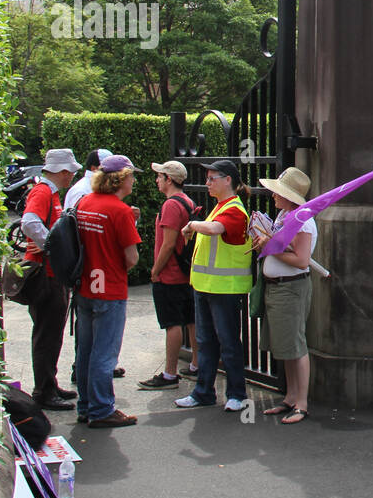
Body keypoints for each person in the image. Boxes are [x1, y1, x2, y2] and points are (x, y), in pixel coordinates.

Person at [175, 160, 253, 413]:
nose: (207, 183)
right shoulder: (220, 207)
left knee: (228, 342)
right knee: (206, 341)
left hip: (225, 288)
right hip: (207, 286)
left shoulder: (233, 209)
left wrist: (192, 225)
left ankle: (237, 394)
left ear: (227, 179)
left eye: (212, 178)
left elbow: (214, 229)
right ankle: (203, 392)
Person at [73, 154, 142, 427]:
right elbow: (132, 258)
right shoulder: (120, 211)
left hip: (86, 285)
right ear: (122, 179)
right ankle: (102, 410)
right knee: (105, 354)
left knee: (86, 351)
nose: (134, 180)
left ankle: (86, 406)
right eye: (132, 176)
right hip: (110, 288)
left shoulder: (85, 203)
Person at [19, 148, 81, 411]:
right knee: (47, 334)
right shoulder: (44, 192)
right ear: (64, 171)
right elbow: (29, 222)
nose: (73, 177)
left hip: (49, 273)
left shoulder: (48, 192)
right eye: (71, 172)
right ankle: (44, 391)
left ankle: (48, 384)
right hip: (46, 274)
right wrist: (53, 248)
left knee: (51, 333)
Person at [256, 167, 316, 424]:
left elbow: (301, 261)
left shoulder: (302, 220)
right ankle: (291, 397)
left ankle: (301, 403)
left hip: (291, 286)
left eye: (278, 192)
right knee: (287, 345)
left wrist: (269, 247)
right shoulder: (286, 215)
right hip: (279, 286)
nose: (273, 196)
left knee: (296, 345)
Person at [137, 160, 199, 390]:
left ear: (169, 179)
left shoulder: (171, 205)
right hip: (185, 273)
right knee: (191, 320)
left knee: (172, 324)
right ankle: (196, 364)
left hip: (170, 274)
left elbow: (168, 243)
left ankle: (170, 374)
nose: (157, 179)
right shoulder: (188, 202)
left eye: (160, 176)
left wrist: (155, 271)